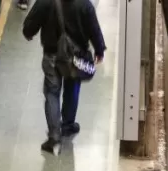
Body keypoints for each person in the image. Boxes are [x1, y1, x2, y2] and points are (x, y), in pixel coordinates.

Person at [22, 0, 106, 153]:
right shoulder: (84, 4)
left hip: (52, 55)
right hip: (76, 56)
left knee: (52, 93)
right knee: (72, 88)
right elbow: (94, 28)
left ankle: (54, 134)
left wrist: (28, 33)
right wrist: (99, 49)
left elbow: (31, 23)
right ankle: (67, 125)